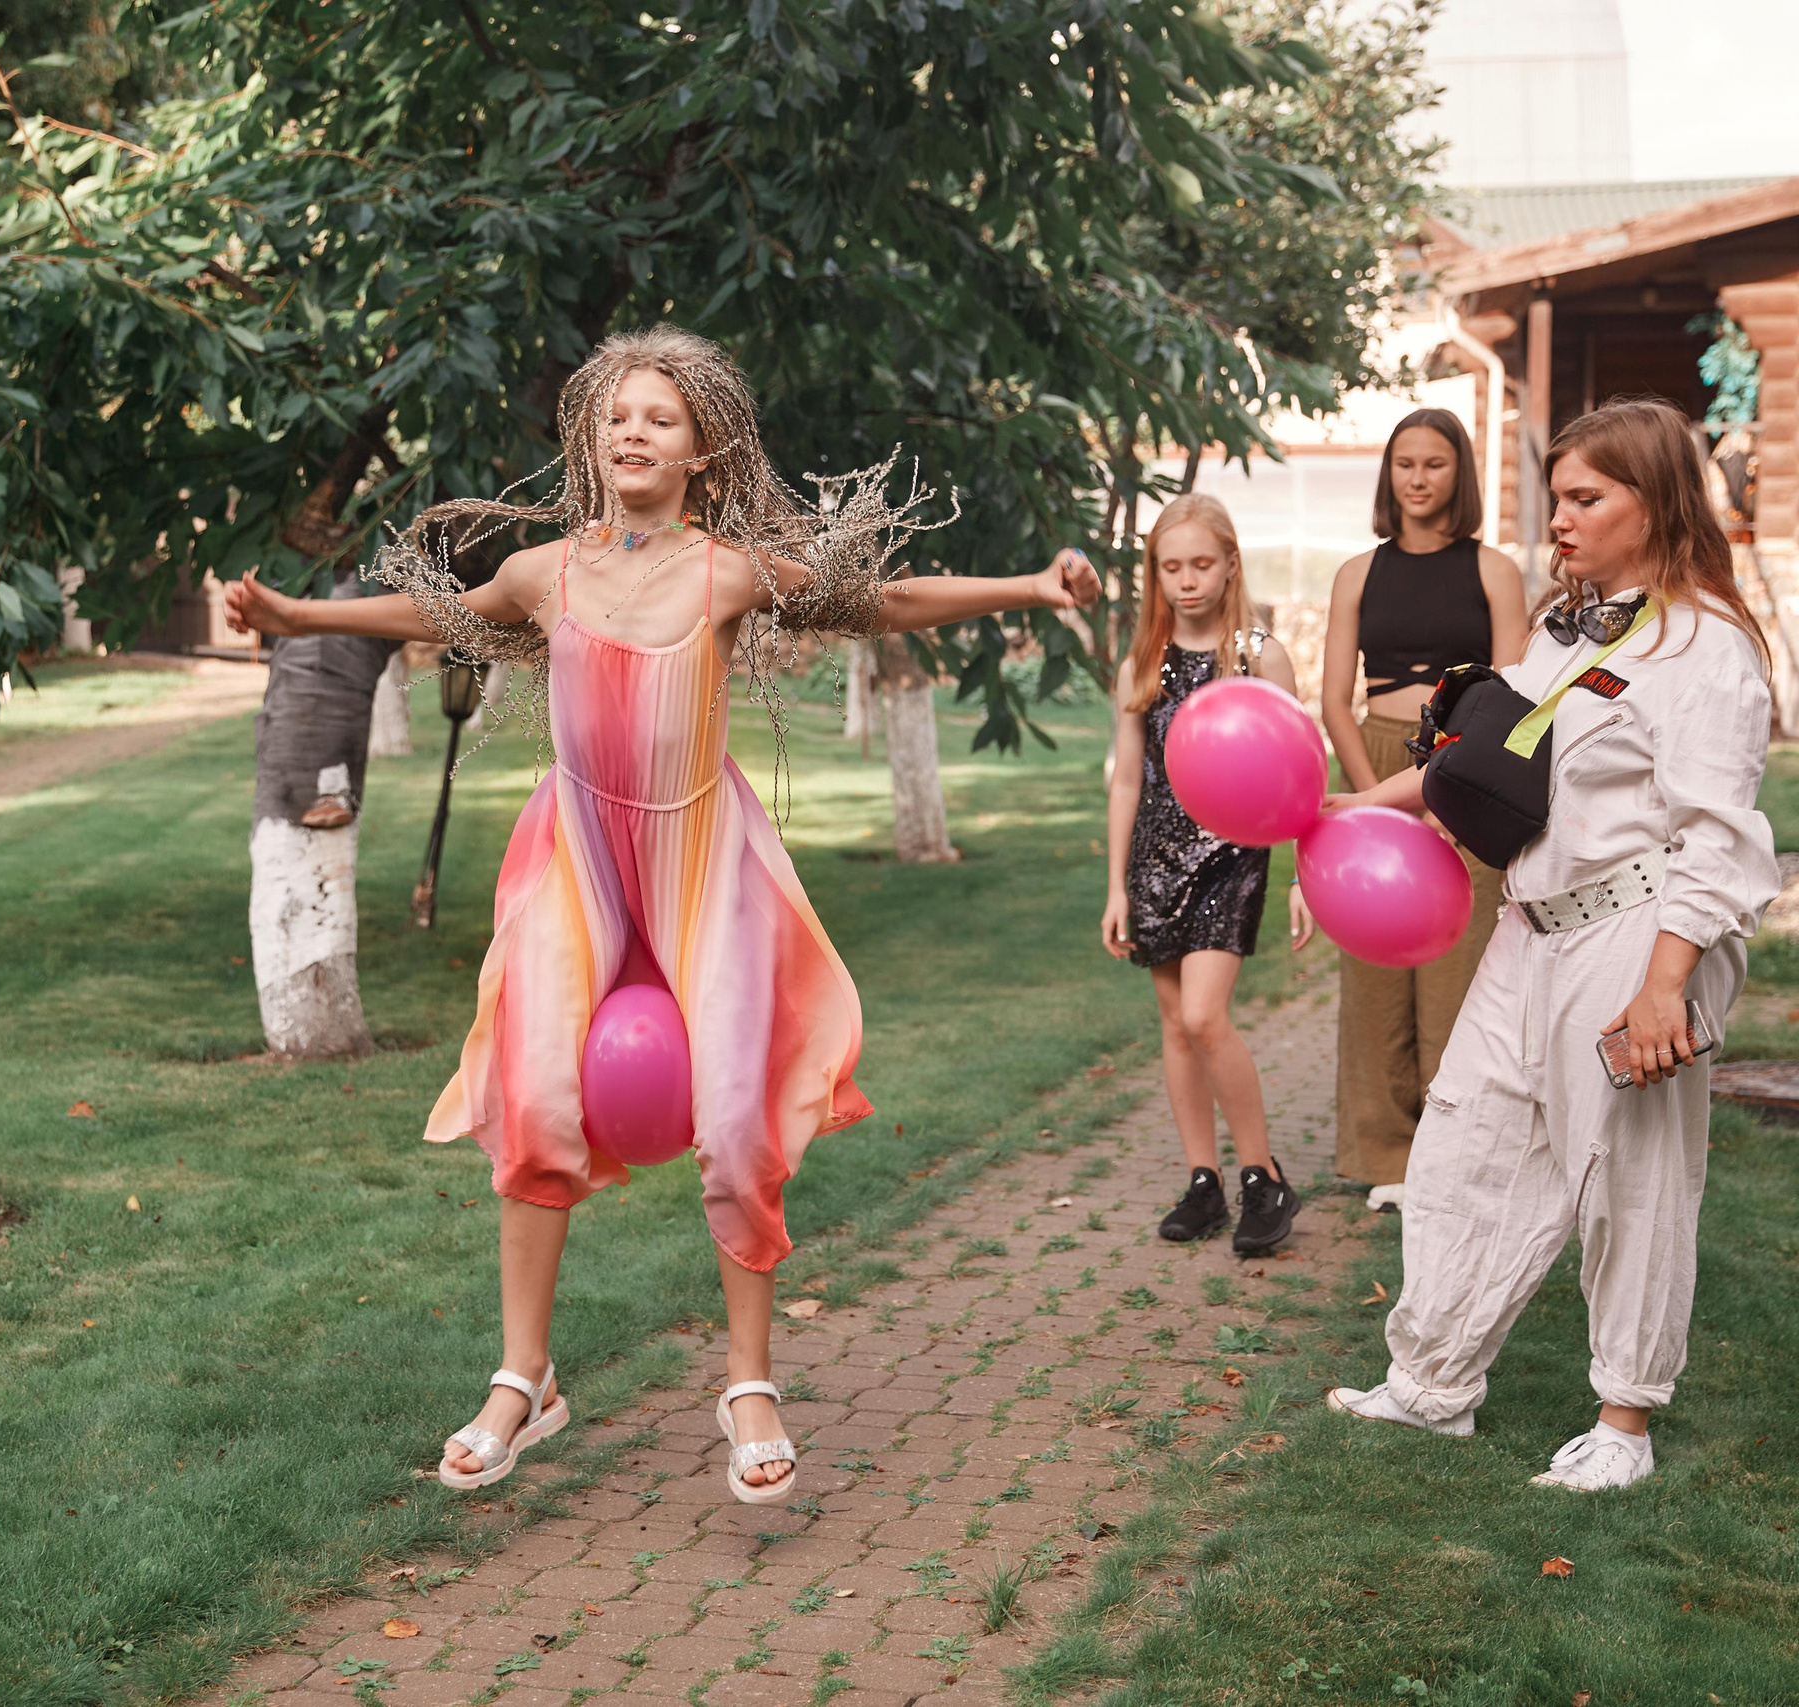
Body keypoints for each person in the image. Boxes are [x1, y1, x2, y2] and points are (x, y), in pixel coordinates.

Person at [223, 325, 1098, 1505]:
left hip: (699, 863)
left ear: (703, 452)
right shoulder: (544, 572)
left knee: (735, 1123)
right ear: (590, 438)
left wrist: (1032, 588)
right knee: (533, 1099)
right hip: (577, 859)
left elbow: (880, 601)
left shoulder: (727, 572)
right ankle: (524, 1380)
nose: (631, 432)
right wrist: (300, 617)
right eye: (616, 416)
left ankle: (748, 1384)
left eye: (659, 418)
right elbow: (438, 616)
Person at [1324, 397, 1777, 1492]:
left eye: (1585, 498)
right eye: (1556, 498)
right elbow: (1473, 762)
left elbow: (1718, 839)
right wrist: (1346, 811)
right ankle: (1432, 1383)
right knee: (1463, 1144)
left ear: (1651, 503)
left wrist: (1666, 985)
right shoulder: (1568, 633)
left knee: (1629, 1180)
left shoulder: (1706, 650)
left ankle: (1624, 1423)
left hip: (1635, 935)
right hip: (1528, 932)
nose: (1560, 519)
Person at [1319, 409, 1529, 1210]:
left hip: (1466, 765)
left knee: (1457, 966)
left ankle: (1456, 1153)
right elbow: (1333, 699)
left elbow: (1509, 698)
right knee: (1374, 965)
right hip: (1374, 755)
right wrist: (1372, 799)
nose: (1417, 477)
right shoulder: (1356, 573)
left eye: (1434, 463)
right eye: (1404, 463)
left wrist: (1449, 790)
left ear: (1459, 473)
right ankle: (1384, 1152)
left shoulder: (1494, 570)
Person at [1102, 493, 1309, 1255]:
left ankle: (1263, 1176)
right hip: (1154, 858)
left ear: (1230, 565)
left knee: (1203, 1017)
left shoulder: (1259, 656)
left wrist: (1302, 874)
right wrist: (1117, 886)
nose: (1187, 580)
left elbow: (1300, 773)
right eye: (1171, 567)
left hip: (1232, 856)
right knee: (1174, 1025)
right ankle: (1204, 1180)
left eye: (1201, 564)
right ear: (1154, 573)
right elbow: (1128, 779)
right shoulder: (1142, 662)